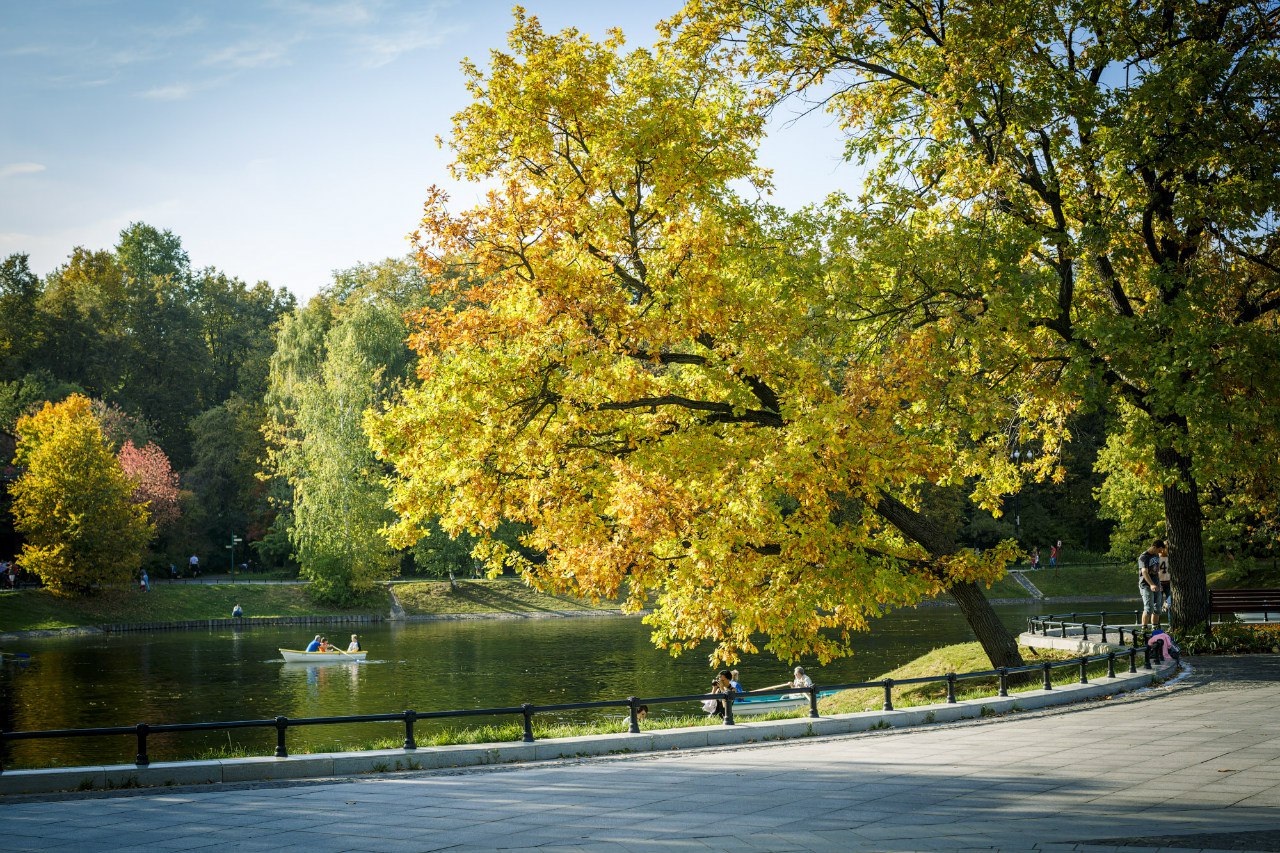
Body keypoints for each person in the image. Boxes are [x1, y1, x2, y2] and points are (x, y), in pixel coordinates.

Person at [1138, 539, 1166, 627]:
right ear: (1154, 547)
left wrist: (1159, 584)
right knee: (1149, 608)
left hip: (1156, 584)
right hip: (1146, 585)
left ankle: (1155, 629)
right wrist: (1151, 584)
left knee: (1157, 608)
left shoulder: (1156, 555)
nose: (1160, 552)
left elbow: (1157, 571)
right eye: (1159, 550)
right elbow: (1144, 572)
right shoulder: (1144, 557)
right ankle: (1144, 631)